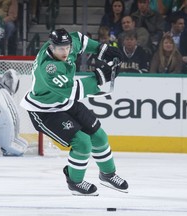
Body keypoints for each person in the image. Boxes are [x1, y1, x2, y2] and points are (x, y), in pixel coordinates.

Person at [20, 28, 128, 196]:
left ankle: (108, 174)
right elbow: (72, 91)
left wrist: (102, 49)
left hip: (65, 102)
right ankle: (75, 182)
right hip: (44, 111)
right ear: (51, 46)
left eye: (67, 48)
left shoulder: (68, 44)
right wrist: (100, 77)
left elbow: (78, 38)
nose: (65, 52)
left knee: (99, 136)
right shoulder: (49, 68)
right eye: (60, 49)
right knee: (83, 143)